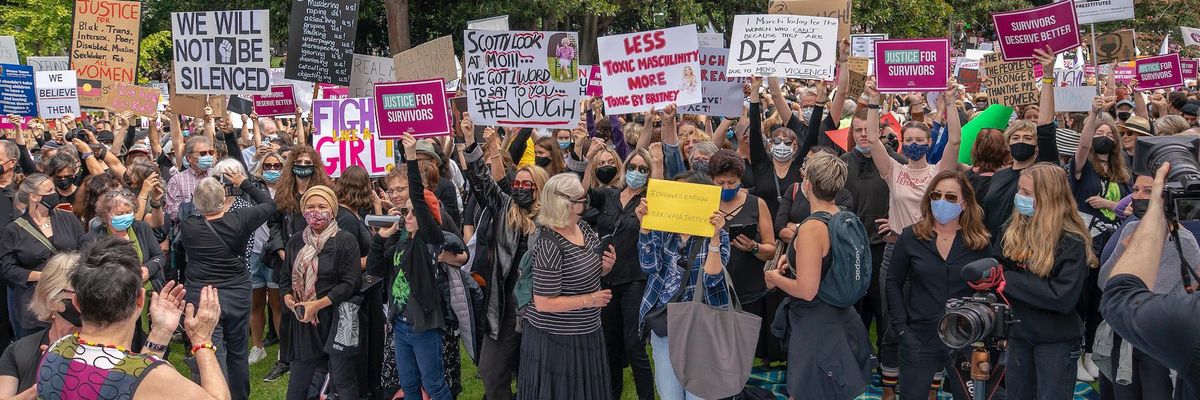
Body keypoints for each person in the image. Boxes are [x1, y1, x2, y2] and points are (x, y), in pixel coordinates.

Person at [36, 235, 230, 400]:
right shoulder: (155, 377)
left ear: (77, 302)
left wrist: (161, 331)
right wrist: (202, 342)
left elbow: (131, 373)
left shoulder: (56, 350)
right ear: (140, 300)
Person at [765, 152, 875, 400]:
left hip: (817, 325)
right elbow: (829, 260)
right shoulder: (842, 215)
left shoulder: (812, 228)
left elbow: (806, 290)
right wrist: (793, 260)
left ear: (808, 184)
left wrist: (774, 279)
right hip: (842, 317)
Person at [461, 114, 548, 400]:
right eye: (517, 184)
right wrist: (471, 140)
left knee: (533, 375)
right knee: (490, 371)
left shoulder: (552, 221)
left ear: (540, 188)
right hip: (504, 305)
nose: (520, 188)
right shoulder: (506, 208)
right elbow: (482, 182)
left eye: (527, 185)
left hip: (540, 306)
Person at [886, 171, 995, 399]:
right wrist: (902, 329)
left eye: (951, 197)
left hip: (965, 339)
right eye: (936, 195)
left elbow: (990, 290)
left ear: (965, 204)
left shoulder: (979, 243)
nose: (942, 201)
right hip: (919, 337)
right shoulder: (911, 237)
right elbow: (893, 282)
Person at [1101, 163, 1200, 398]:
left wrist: (1132, 255)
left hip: (1157, 341)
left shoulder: (1184, 241)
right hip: (1124, 337)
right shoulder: (1130, 229)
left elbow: (1141, 298)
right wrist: (1124, 249)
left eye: (1149, 191)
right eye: (1135, 190)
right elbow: (1105, 284)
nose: (1138, 196)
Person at [997, 163, 1095, 399]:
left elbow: (1062, 297)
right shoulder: (1013, 229)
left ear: (1048, 197)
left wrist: (1008, 281)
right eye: (1020, 190)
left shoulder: (1071, 241)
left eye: (1027, 193)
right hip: (1019, 334)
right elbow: (996, 265)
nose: (1020, 197)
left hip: (1056, 341)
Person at [180, 168, 277, 400]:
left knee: (209, 348)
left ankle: (214, 394)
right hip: (237, 292)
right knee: (237, 348)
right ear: (223, 198)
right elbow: (269, 204)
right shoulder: (240, 219)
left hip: (203, 294)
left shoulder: (189, 225)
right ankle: (238, 395)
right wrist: (244, 183)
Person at [519, 173, 616, 400]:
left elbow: (588, 272)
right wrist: (590, 300)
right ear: (566, 204)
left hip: (587, 333)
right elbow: (543, 303)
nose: (586, 202)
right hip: (557, 341)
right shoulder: (549, 244)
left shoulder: (583, 227)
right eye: (582, 199)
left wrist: (606, 267)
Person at [635, 171, 730, 400]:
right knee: (670, 395)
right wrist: (645, 228)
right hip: (666, 323)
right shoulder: (662, 229)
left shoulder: (718, 235)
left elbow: (712, 279)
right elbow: (648, 266)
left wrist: (714, 238)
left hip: (702, 327)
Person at [582, 146, 657, 400]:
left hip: (635, 278)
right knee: (609, 343)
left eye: (643, 169)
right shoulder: (609, 194)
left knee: (634, 344)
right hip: (605, 278)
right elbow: (581, 195)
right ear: (625, 168)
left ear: (649, 173)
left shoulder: (650, 201)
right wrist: (589, 160)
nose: (637, 172)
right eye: (633, 167)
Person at [1071, 96, 1133, 382]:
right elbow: (1083, 148)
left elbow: (1129, 203)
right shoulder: (1083, 168)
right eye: (1099, 132)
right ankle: (1075, 353)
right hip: (1086, 242)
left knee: (1100, 299)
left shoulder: (1122, 172)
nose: (1104, 137)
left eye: (1110, 133)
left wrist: (1112, 205)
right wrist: (1093, 115)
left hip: (1112, 243)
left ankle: (1091, 353)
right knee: (1080, 299)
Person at [280, 185, 361, 400]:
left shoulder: (345, 240)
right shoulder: (296, 241)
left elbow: (351, 283)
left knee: (342, 381)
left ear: (333, 210)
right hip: (305, 322)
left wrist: (318, 304)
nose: (316, 212)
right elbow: (285, 278)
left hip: (337, 318)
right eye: (310, 207)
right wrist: (289, 299)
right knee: (298, 383)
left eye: (322, 206)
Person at [264, 145, 335, 382]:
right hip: (287, 259)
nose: (303, 167)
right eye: (299, 163)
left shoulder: (321, 192)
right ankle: (285, 359)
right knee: (287, 310)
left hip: (316, 258)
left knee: (315, 306)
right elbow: (274, 223)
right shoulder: (284, 192)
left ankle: (318, 356)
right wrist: (280, 248)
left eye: (308, 163)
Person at [982, 47, 1062, 234]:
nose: (1021, 141)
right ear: (1008, 143)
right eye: (1016, 137)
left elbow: (1046, 127)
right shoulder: (999, 176)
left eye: (1028, 138)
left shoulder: (1043, 170)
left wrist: (1047, 76)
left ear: (1037, 145)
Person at [707, 149, 777, 358]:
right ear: (711, 180)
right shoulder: (705, 204)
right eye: (720, 183)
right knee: (715, 350)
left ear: (740, 179)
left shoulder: (757, 204)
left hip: (749, 291)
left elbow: (770, 250)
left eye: (732, 182)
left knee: (745, 350)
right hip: (713, 290)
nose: (726, 188)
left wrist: (753, 247)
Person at [0, 174, 84, 337]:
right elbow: (9, 269)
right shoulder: (14, 230)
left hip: (70, 298)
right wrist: (45, 276)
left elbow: (84, 250)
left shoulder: (68, 218)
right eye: (49, 190)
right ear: (34, 197)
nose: (54, 194)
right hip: (34, 302)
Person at [0, 253, 80, 397]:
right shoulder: (18, 352)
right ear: (50, 298)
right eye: (76, 292)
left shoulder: (103, 352)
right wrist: (43, 384)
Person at [247, 152, 283, 365]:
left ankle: (283, 349)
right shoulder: (254, 190)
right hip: (254, 252)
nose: (272, 169)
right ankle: (257, 346)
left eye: (277, 166)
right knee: (256, 303)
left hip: (276, 254)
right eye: (268, 166)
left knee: (277, 304)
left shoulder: (287, 191)